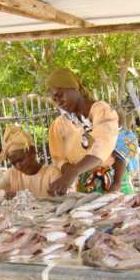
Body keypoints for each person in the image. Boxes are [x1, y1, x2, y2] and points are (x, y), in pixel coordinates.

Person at [47, 67, 120, 196]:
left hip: (112, 184)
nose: (59, 102)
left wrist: (74, 172)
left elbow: (102, 145)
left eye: (60, 95)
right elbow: (58, 158)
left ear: (74, 88)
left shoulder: (101, 111)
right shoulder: (59, 125)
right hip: (82, 187)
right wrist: (68, 174)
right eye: (55, 99)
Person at [0, 125, 61, 200]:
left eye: (20, 160)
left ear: (33, 152)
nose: (18, 166)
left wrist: (19, 197)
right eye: (13, 163)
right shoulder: (12, 174)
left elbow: (60, 201)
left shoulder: (52, 173)